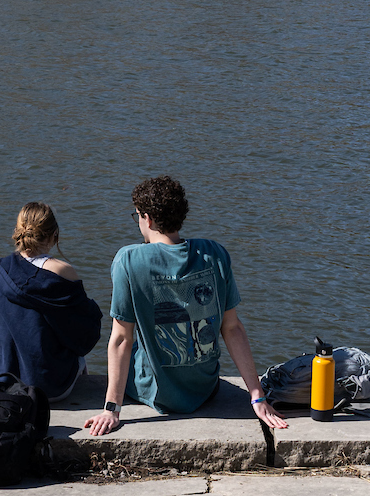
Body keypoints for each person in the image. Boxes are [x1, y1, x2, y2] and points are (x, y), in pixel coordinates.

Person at [84, 176, 287, 435]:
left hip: (158, 395)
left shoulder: (129, 260)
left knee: (134, 344)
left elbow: (121, 339)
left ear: (147, 219)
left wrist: (111, 409)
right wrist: (257, 397)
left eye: (136, 216)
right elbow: (232, 328)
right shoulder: (215, 253)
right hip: (205, 389)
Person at [0, 202, 103, 406]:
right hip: (48, 388)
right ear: (54, 235)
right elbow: (85, 337)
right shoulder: (63, 274)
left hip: (1, 382)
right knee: (78, 357)